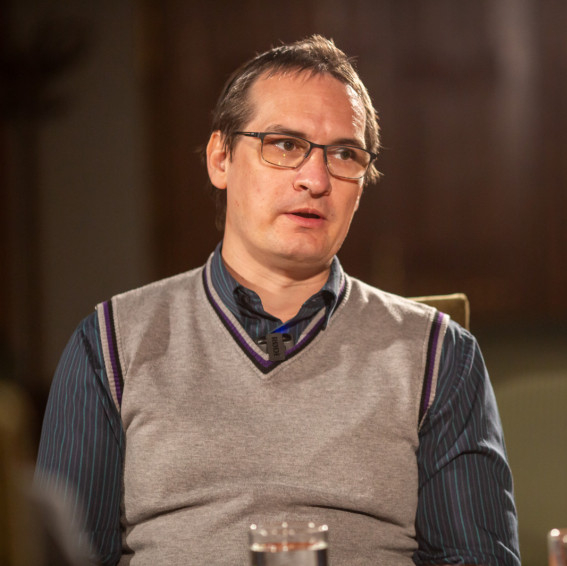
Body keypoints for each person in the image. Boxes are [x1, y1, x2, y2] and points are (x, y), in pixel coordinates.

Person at [34, 35, 520, 565]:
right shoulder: (111, 344)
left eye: (344, 154)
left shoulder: (440, 355)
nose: (315, 179)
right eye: (285, 145)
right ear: (220, 158)